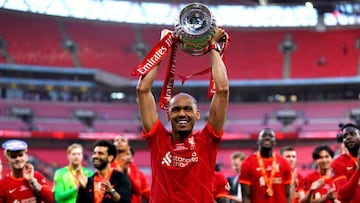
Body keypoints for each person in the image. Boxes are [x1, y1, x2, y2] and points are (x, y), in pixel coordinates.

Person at [136, 27, 229, 203]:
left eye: (188, 109)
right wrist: (162, 47)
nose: (182, 114)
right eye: (176, 109)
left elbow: (223, 90)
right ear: (168, 115)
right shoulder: (158, 140)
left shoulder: (207, 141)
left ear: (197, 114)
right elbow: (142, 90)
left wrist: (212, 47)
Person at [239, 128, 292, 203]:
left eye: (271, 136)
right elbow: (246, 197)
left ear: (275, 142)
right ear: (258, 141)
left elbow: (288, 195)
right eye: (263, 136)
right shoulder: (247, 164)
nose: (267, 138)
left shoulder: (284, 163)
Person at [331, 123, 360, 203]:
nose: (348, 138)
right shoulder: (337, 163)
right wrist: (358, 170)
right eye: (345, 136)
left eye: (352, 134)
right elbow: (343, 196)